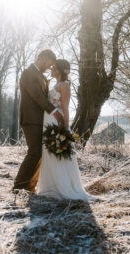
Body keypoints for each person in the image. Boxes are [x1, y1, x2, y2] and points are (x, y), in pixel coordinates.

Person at [36, 58, 93, 201]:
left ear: (61, 70)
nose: (51, 69)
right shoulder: (56, 84)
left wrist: (66, 128)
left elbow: (65, 107)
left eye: (54, 67)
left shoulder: (64, 85)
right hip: (48, 121)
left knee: (57, 152)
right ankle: (50, 188)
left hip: (57, 122)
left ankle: (61, 188)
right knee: (49, 153)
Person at [12, 49, 65, 193]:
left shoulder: (40, 76)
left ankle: (29, 186)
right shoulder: (28, 73)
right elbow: (38, 96)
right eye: (49, 64)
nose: (49, 68)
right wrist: (54, 112)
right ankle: (18, 186)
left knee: (40, 152)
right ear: (43, 58)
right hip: (30, 119)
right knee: (34, 152)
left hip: (40, 120)